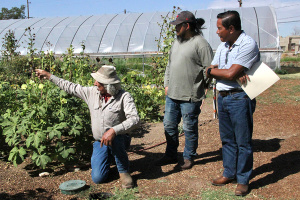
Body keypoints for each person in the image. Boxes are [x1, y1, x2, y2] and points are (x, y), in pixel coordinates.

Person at [35, 65, 140, 189]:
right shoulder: (91, 93)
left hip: (119, 139)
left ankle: (123, 171)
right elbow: (70, 87)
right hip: (100, 141)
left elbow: (135, 119)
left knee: (115, 138)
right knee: (98, 178)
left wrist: (114, 130)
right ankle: (110, 157)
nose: (95, 83)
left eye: (99, 82)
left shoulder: (124, 97)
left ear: (108, 86)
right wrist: (48, 76)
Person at [206, 10, 260, 196]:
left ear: (231, 28)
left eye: (219, 28)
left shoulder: (248, 44)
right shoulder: (223, 45)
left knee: (243, 141)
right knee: (227, 139)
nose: (217, 32)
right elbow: (215, 67)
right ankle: (229, 173)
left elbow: (229, 74)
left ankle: (243, 179)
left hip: (240, 97)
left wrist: (213, 72)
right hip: (223, 97)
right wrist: (219, 70)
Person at [155, 11, 214, 170]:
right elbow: (169, 64)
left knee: (189, 128)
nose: (175, 29)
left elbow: (209, 69)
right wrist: (166, 83)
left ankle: (188, 156)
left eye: (178, 26)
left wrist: (202, 86)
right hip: (172, 94)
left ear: (187, 26)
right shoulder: (176, 42)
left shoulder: (200, 44)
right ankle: (171, 154)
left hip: (190, 96)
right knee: (169, 125)